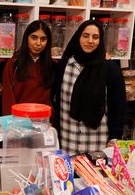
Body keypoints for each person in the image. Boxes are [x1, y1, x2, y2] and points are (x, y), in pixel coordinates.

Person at [51, 19, 126, 155]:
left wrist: (115, 139)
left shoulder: (110, 69)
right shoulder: (64, 66)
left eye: (95, 37)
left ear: (100, 40)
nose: (90, 41)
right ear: (78, 37)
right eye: (86, 36)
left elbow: (118, 107)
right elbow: (55, 101)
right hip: (68, 143)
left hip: (97, 146)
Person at [1, 20, 54, 114]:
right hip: (18, 121)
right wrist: (12, 122)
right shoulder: (13, 63)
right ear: (26, 38)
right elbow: (7, 97)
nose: (38, 43)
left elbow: (53, 98)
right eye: (34, 38)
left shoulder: (53, 65)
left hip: (42, 121)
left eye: (43, 39)